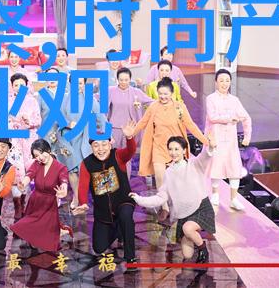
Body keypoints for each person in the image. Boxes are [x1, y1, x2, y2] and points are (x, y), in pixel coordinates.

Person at [130, 136, 216, 265]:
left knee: (188, 228)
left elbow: (205, 157)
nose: (173, 152)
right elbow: (161, 197)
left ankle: (203, 249)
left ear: (184, 150)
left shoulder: (194, 164)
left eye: (176, 149)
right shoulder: (168, 173)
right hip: (183, 214)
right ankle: (193, 236)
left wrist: (210, 147)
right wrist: (139, 199)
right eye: (170, 149)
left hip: (200, 208)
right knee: (187, 255)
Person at [72, 123, 138, 273]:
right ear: (91, 147)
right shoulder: (87, 163)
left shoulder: (117, 155)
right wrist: (83, 203)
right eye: (96, 145)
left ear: (110, 144)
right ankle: (119, 229)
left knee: (126, 216)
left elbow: (131, 151)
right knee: (99, 248)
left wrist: (129, 138)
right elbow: (83, 186)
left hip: (123, 202)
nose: (100, 149)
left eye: (104, 144)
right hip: (103, 212)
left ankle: (131, 257)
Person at [136, 78, 210, 189]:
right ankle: (163, 200)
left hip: (176, 149)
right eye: (160, 93)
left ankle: (175, 199)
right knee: (160, 178)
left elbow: (191, 125)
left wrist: (206, 141)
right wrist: (131, 133)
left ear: (171, 93)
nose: (162, 96)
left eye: (165, 94)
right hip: (158, 147)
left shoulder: (180, 107)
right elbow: (143, 122)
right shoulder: (153, 107)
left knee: (177, 182)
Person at [11, 139, 72, 252]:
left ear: (48, 150)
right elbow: (30, 174)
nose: (40, 158)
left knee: (46, 238)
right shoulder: (36, 164)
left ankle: (61, 230)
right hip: (35, 201)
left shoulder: (60, 168)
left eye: (42, 153)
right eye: (36, 156)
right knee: (29, 227)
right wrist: (23, 183)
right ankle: (57, 230)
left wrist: (63, 190)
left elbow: (64, 180)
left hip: (49, 204)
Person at [204, 69, 251, 210]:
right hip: (216, 138)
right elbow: (212, 117)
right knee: (216, 166)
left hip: (230, 140)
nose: (224, 83)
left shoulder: (234, 100)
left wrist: (247, 136)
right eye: (221, 80)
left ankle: (234, 199)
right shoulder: (211, 98)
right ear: (216, 82)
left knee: (234, 168)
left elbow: (246, 118)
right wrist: (230, 118)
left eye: (227, 80)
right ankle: (215, 194)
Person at [60, 77, 105, 208]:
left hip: (86, 138)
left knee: (89, 168)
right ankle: (76, 197)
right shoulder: (64, 99)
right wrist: (68, 124)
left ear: (84, 84)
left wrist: (107, 133)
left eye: (80, 83)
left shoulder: (90, 99)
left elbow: (100, 116)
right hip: (69, 139)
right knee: (72, 170)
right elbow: (57, 117)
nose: (77, 85)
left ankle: (96, 197)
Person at [6, 73, 42, 220]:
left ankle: (23, 201)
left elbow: (38, 120)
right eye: (16, 85)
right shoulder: (7, 101)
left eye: (21, 85)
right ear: (12, 86)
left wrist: (29, 121)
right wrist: (12, 123)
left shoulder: (32, 101)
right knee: (16, 172)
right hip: (14, 141)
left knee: (28, 173)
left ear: (26, 86)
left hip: (29, 140)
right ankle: (17, 206)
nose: (19, 87)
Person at [108, 67, 152, 162]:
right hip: (114, 128)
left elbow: (151, 102)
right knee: (112, 155)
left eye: (126, 80)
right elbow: (96, 98)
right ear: (117, 79)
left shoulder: (136, 92)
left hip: (131, 129)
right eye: (121, 80)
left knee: (127, 156)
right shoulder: (110, 90)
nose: (123, 82)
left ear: (130, 79)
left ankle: (126, 172)